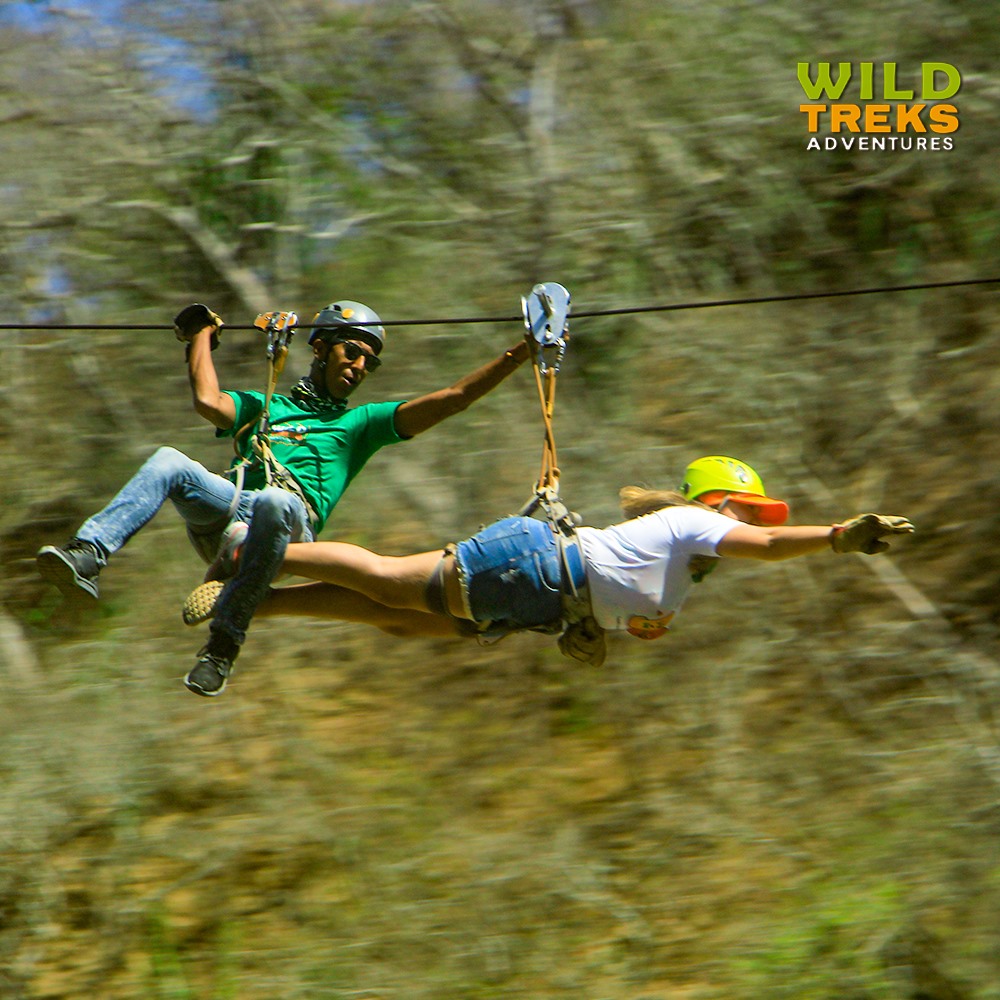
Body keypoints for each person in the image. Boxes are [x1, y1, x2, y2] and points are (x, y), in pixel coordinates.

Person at [37, 300, 532, 696]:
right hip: (230, 512)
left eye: (369, 361)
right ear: (320, 348)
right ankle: (88, 553)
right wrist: (201, 335)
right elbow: (207, 401)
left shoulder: (360, 424)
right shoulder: (265, 405)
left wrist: (521, 353)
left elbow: (453, 398)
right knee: (169, 460)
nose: (360, 366)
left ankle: (222, 646)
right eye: (351, 352)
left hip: (287, 529)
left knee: (277, 502)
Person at [182, 455, 915, 667]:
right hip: (532, 567)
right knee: (389, 582)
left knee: (398, 619)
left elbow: (625, 626)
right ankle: (258, 554)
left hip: (537, 602)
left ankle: (258, 601)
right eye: (747, 511)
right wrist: (839, 536)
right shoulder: (692, 522)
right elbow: (772, 547)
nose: (752, 525)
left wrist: (590, 636)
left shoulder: (680, 580)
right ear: (718, 504)